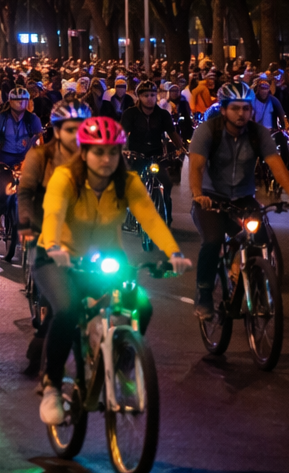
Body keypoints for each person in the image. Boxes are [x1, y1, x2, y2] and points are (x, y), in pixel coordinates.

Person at [35, 117, 192, 426]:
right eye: (99, 152)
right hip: (56, 257)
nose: (107, 160)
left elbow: (150, 216)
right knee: (66, 310)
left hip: (106, 256)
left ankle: (121, 360)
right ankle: (51, 385)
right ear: (83, 153)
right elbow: (53, 213)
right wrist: (54, 247)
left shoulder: (128, 182)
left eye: (113, 152)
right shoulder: (65, 178)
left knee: (141, 306)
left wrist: (173, 252)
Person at [187, 81, 289, 320]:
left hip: (243, 198)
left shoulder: (257, 133)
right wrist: (198, 194)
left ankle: (257, 291)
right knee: (213, 239)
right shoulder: (207, 131)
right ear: (223, 109)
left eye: (246, 108)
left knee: (260, 240)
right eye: (236, 108)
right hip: (210, 199)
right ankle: (205, 294)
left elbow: (275, 164)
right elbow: (196, 166)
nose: (242, 113)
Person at [16, 100, 89, 375]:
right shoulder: (40, 157)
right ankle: (45, 367)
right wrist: (26, 224)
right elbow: (25, 194)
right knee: (63, 305)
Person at [0, 88, 41, 235]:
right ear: (10, 102)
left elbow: (39, 137)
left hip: (24, 158)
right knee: (3, 191)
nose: (20, 103)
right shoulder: (1, 118)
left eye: (23, 100)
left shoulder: (33, 119)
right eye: (16, 100)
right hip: (4, 158)